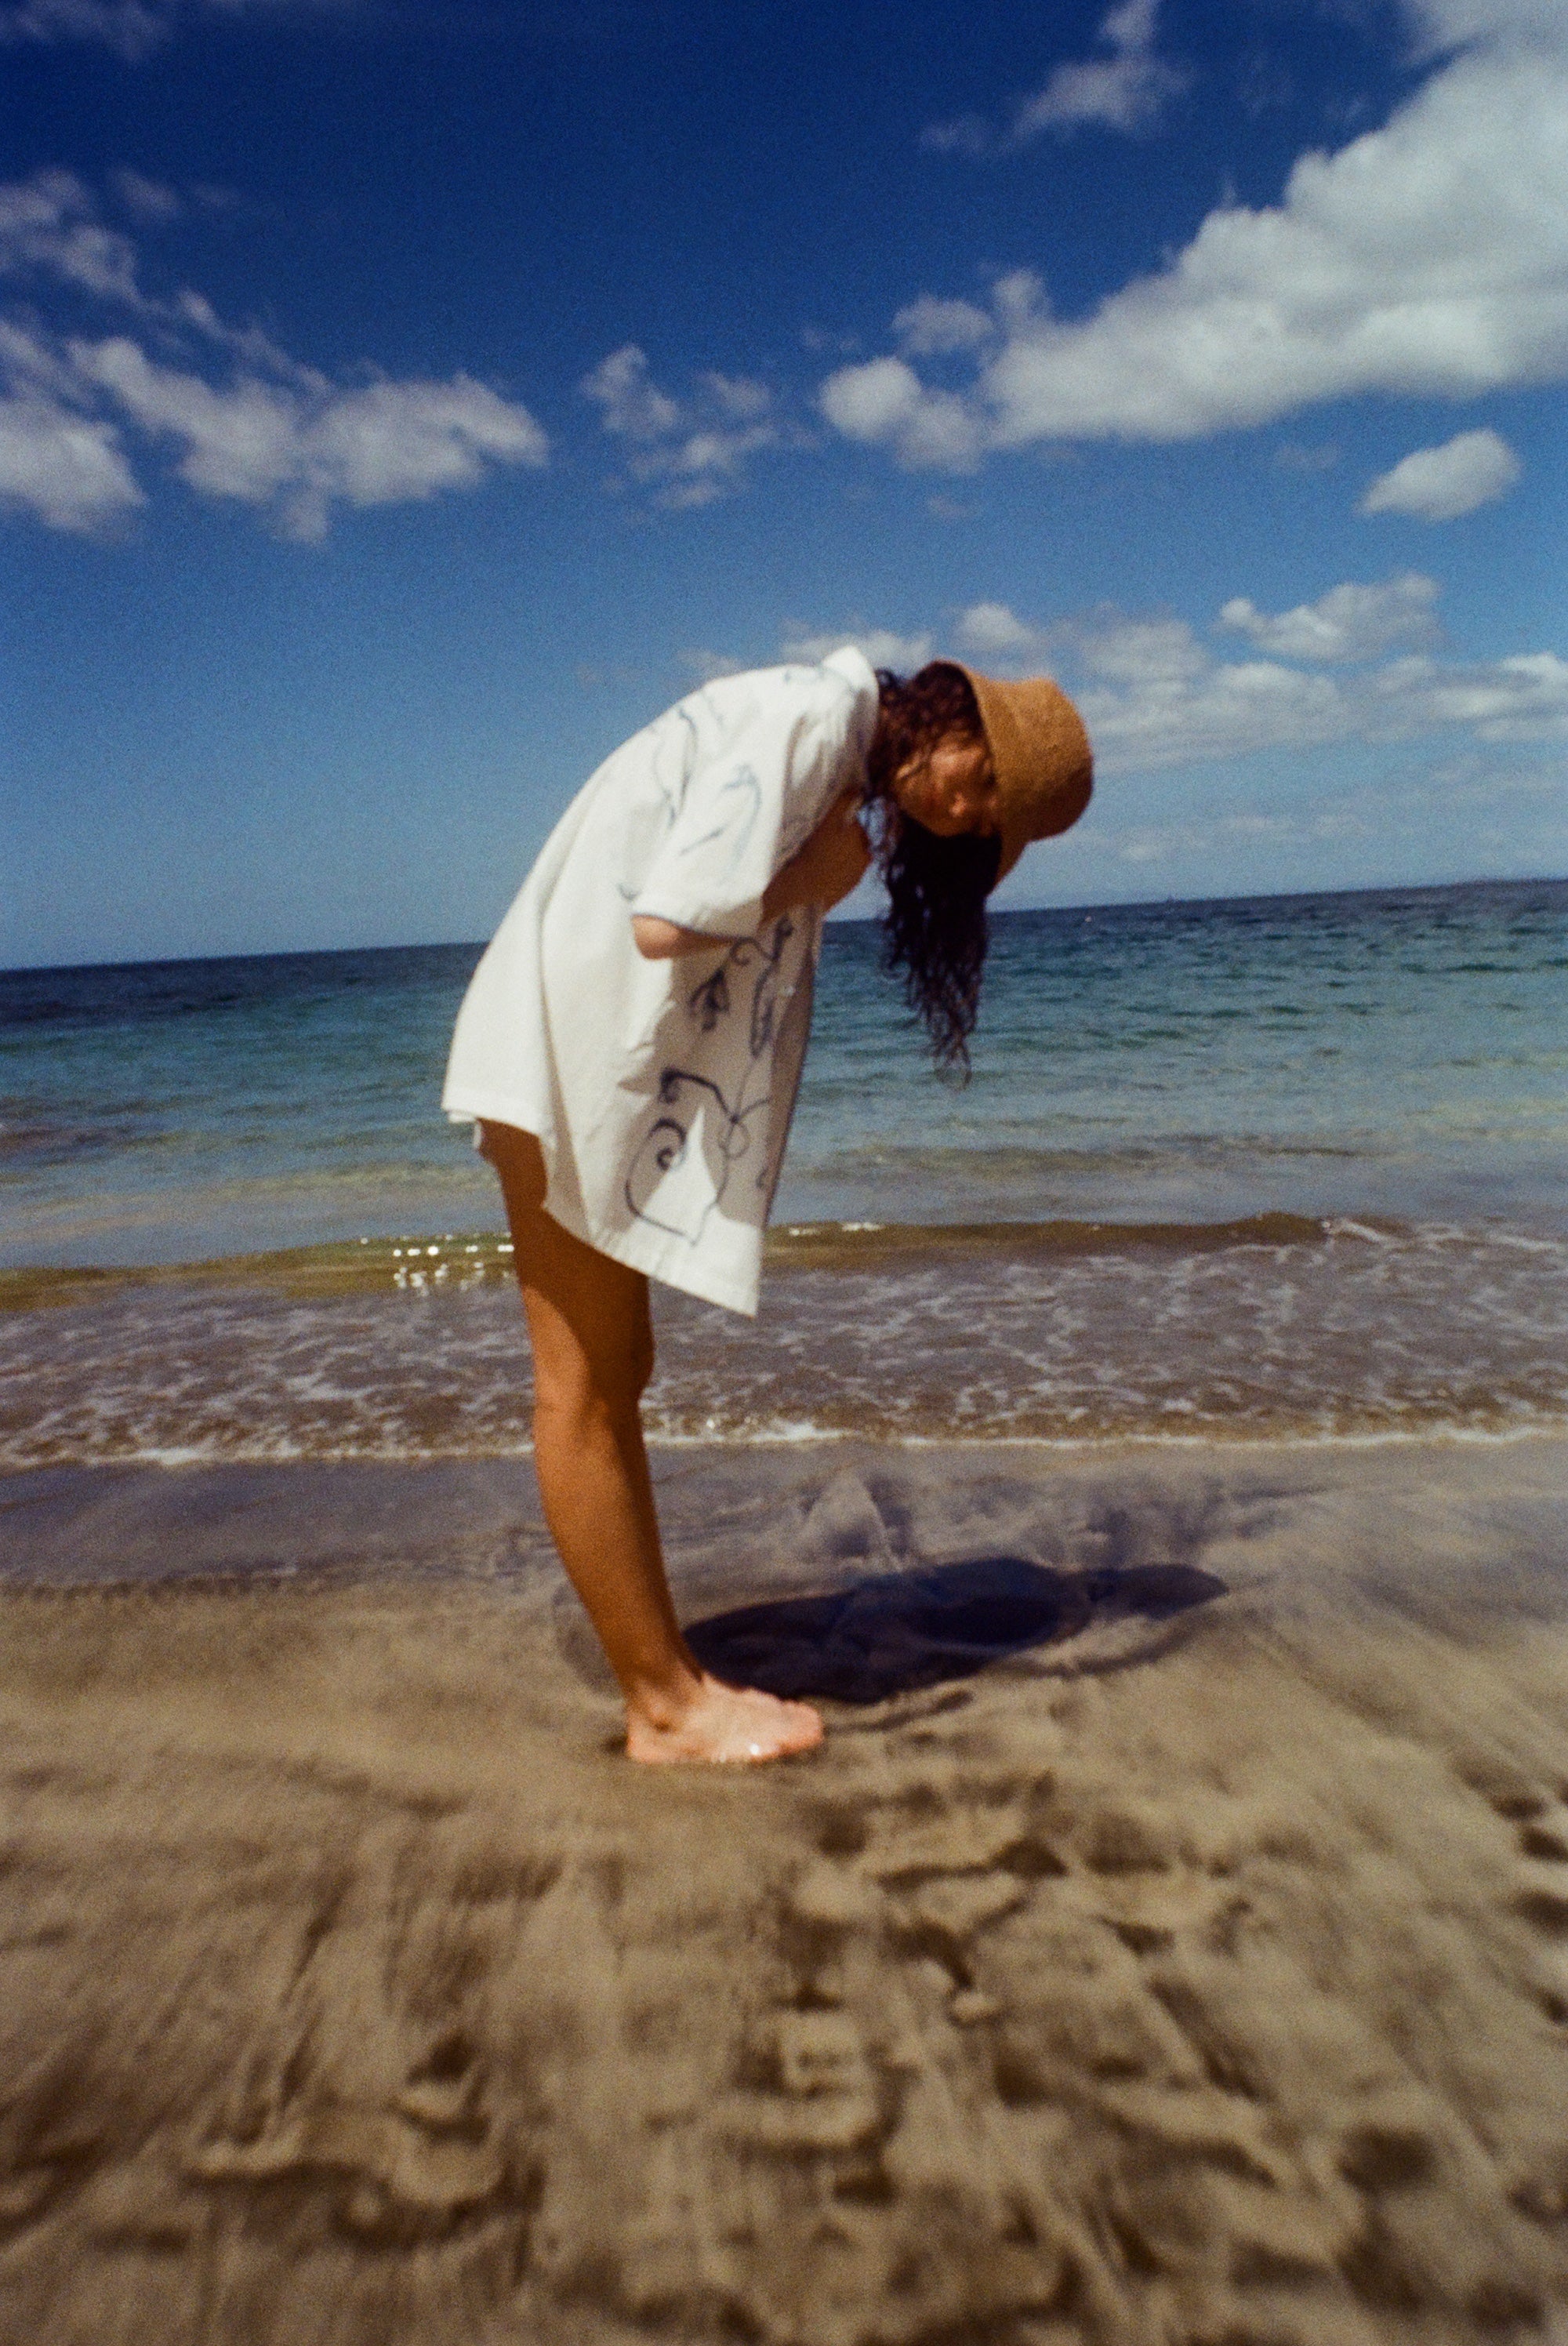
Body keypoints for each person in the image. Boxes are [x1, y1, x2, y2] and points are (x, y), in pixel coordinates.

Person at [443, 647, 1091, 1764]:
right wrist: (808, 887)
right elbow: (666, 921)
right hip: (551, 1059)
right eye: (983, 777)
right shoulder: (808, 722)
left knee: (615, 1374)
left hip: (559, 1051)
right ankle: (663, 1706)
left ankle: (668, 1675)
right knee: (585, 1388)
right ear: (958, 715)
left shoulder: (830, 751)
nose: (961, 807)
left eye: (985, 816)